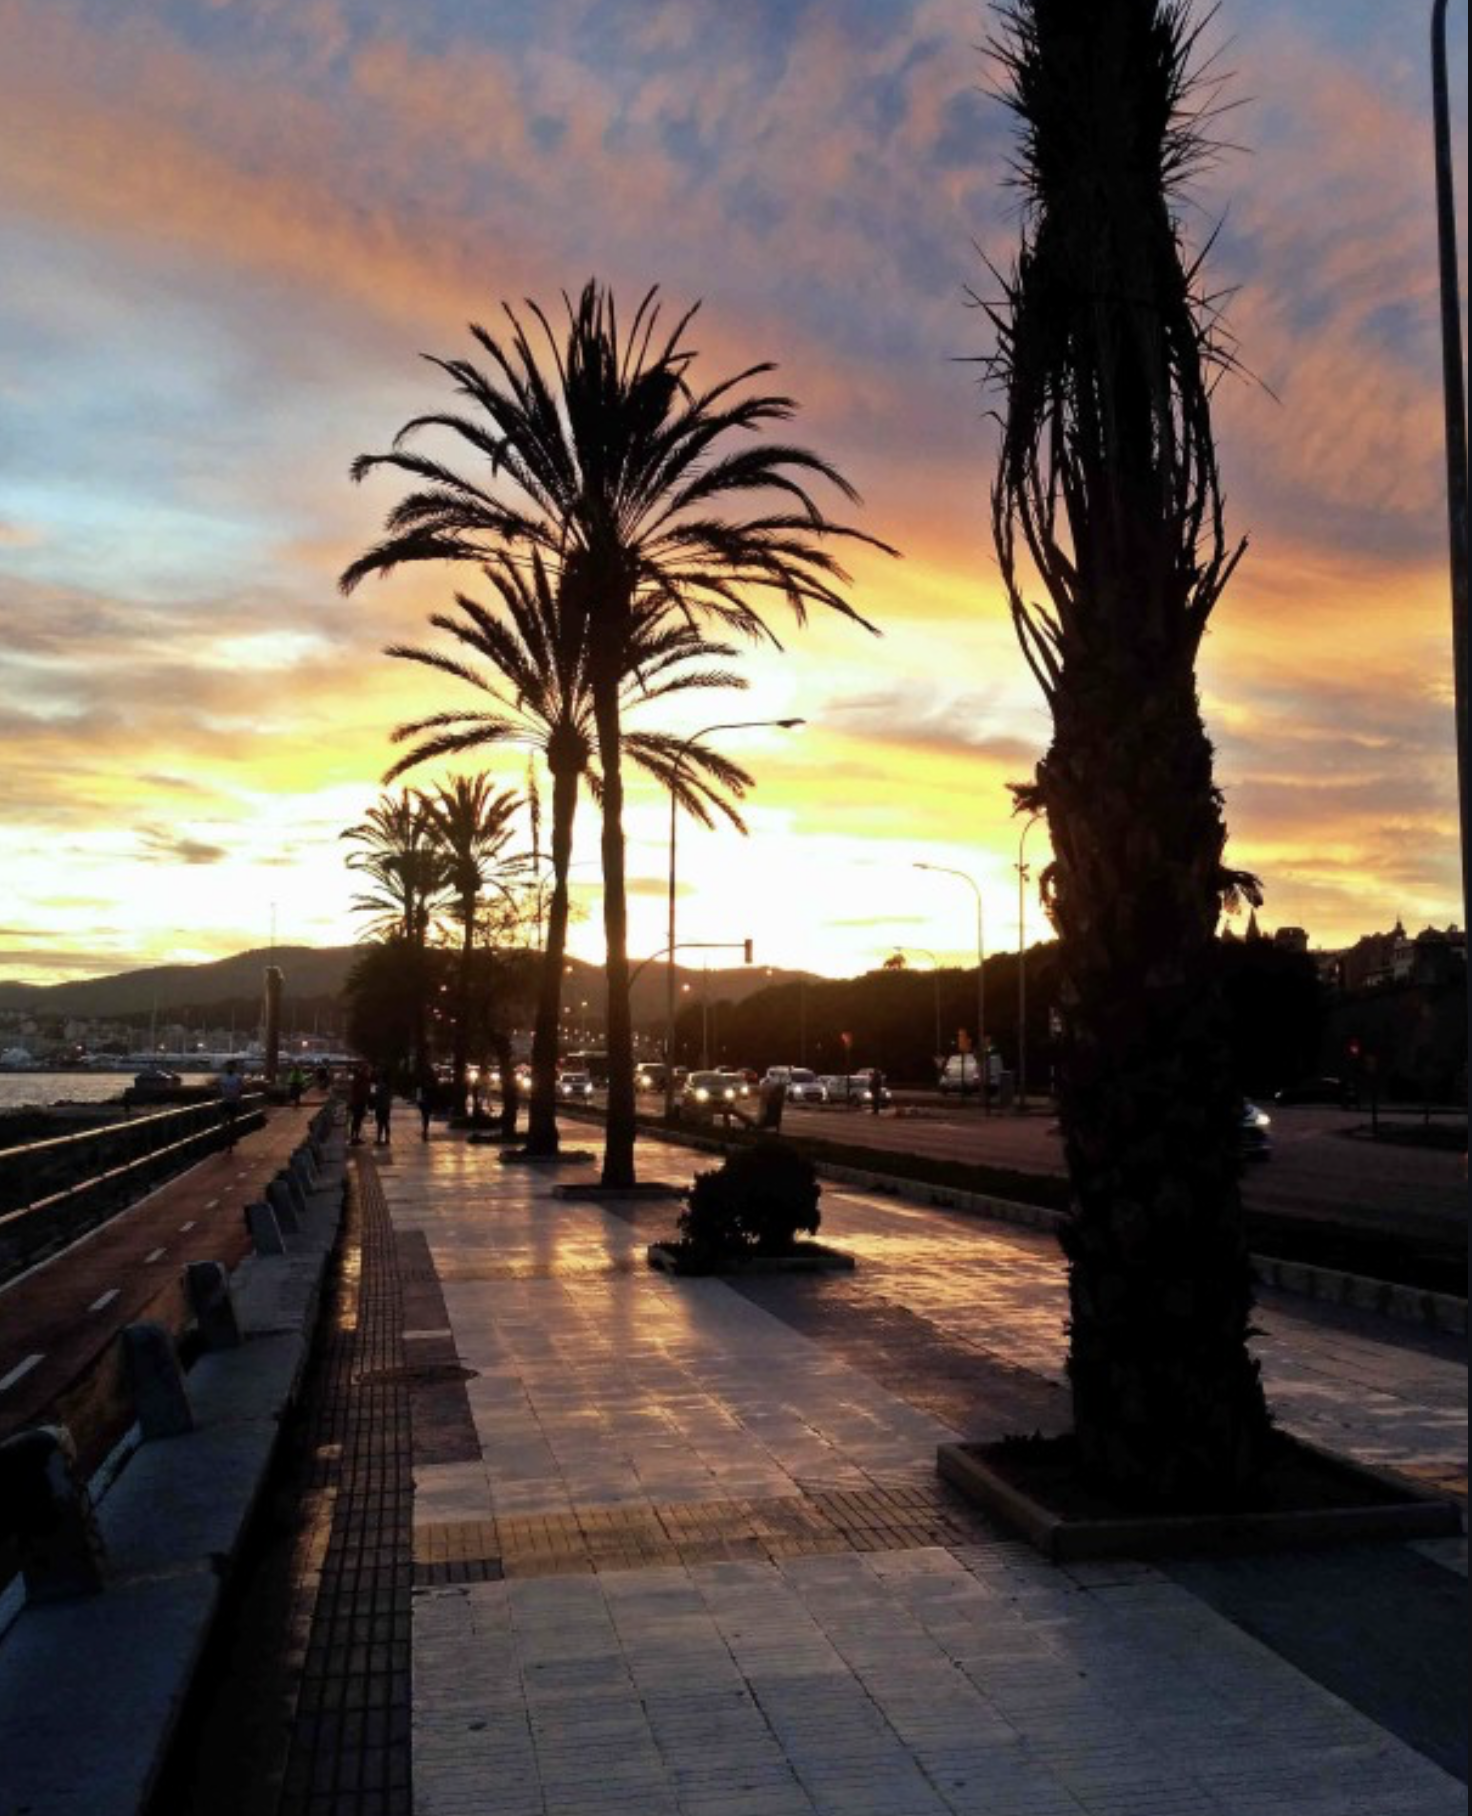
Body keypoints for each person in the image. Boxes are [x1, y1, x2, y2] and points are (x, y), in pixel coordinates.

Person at [218, 1060, 244, 1150]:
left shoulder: (238, 1077)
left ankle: (232, 1140)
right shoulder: (222, 1077)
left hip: (234, 1102)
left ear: (234, 1067)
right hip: (225, 1101)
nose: (229, 1068)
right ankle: (223, 1141)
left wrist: (239, 1100)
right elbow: (219, 1088)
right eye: (228, 1066)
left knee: (233, 1123)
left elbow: (241, 1089)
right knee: (223, 1123)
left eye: (231, 1066)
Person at [348, 1065, 371, 1145]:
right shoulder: (359, 1080)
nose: (368, 1073)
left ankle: (355, 1137)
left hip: (359, 1102)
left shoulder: (361, 1080)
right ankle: (353, 1138)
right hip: (358, 1103)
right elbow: (359, 1092)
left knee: (357, 1120)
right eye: (367, 1071)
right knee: (356, 1120)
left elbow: (364, 1092)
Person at [372, 1070, 394, 1146]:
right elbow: (391, 1096)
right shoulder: (389, 1085)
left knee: (380, 1124)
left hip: (380, 1106)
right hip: (386, 1106)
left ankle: (379, 1139)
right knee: (386, 1123)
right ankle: (387, 1139)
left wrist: (374, 1096)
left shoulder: (381, 1085)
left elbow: (377, 1095)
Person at [415, 1070, 436, 1143]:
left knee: (426, 1116)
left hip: (427, 1103)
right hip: (424, 1103)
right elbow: (418, 1095)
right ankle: (425, 1129)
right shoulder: (422, 1086)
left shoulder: (428, 1085)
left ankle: (425, 1129)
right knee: (425, 1116)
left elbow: (432, 1095)